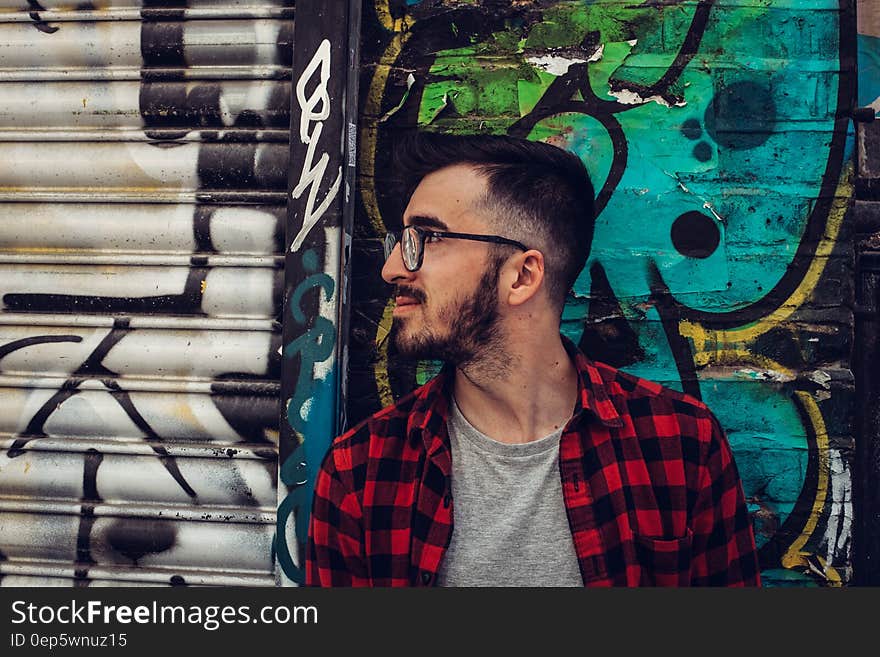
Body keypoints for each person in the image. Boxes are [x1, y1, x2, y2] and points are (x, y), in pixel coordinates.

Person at [305, 131, 761, 587]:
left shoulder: (679, 445)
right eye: (401, 241)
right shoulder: (362, 472)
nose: (392, 269)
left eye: (427, 238)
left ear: (522, 276)